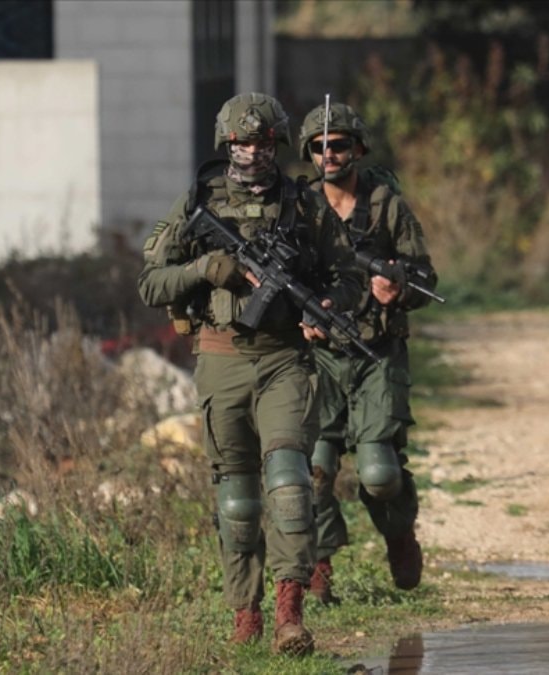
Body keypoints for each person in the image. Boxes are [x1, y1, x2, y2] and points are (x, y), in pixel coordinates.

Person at [137, 93, 362, 655]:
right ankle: (246, 615)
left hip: (286, 359)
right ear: (226, 143)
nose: (253, 153)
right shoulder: (198, 202)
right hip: (221, 359)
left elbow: (348, 276)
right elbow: (150, 283)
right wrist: (205, 268)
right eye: (242, 143)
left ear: (277, 145)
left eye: (263, 144)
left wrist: (328, 307)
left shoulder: (304, 206)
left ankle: (290, 614)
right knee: (237, 501)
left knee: (289, 483)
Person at [297, 101, 435, 603]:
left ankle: (399, 536)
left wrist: (397, 289)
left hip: (376, 353)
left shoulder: (386, 206)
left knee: (379, 473)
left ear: (357, 148)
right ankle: (319, 566)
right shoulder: (300, 207)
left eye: (338, 145)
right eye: (319, 147)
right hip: (320, 358)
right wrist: (300, 317)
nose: (329, 155)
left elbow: (425, 277)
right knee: (313, 469)